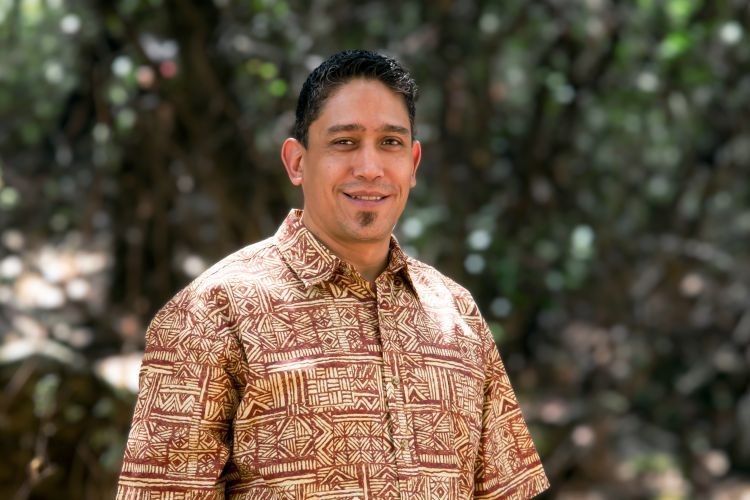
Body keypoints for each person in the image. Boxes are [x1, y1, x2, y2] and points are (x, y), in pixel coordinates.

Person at [117, 49, 549, 499]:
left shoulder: (455, 313)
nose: (369, 168)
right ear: (297, 162)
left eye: (390, 143)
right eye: (344, 142)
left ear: (414, 164)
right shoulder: (211, 312)